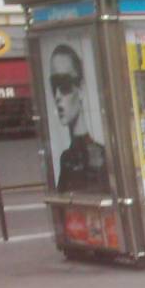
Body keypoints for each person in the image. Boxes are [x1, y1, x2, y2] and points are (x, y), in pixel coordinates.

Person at [49, 44, 109, 192]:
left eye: (64, 84)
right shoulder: (67, 158)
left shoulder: (98, 156)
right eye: (53, 85)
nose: (57, 96)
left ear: (80, 89)